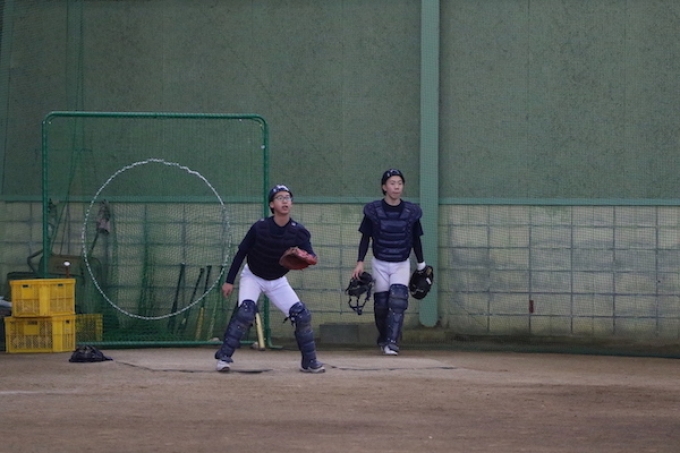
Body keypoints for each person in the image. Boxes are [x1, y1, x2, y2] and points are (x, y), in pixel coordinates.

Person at [214, 184, 325, 373]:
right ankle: (224, 357)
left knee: (302, 315)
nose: (285, 201)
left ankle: (309, 362)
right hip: (253, 276)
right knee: (246, 313)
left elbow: (311, 255)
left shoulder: (298, 231)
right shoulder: (260, 227)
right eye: (280, 198)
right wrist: (229, 281)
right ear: (272, 205)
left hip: (277, 280)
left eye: (287, 197)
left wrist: (307, 257)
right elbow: (241, 253)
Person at [351, 169, 426, 356]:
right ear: (384, 187)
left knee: (398, 300)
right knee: (381, 305)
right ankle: (384, 338)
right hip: (380, 263)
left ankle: (392, 342)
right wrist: (360, 262)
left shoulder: (411, 212)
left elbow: (416, 239)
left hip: (401, 262)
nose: (396, 187)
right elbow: (365, 238)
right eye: (392, 183)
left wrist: (421, 264)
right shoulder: (373, 211)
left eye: (399, 183)